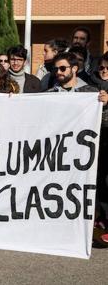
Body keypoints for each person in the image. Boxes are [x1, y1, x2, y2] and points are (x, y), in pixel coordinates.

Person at [89, 51, 108, 246]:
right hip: (98, 140)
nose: (104, 71)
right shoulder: (93, 87)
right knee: (100, 182)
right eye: (101, 67)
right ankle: (101, 223)